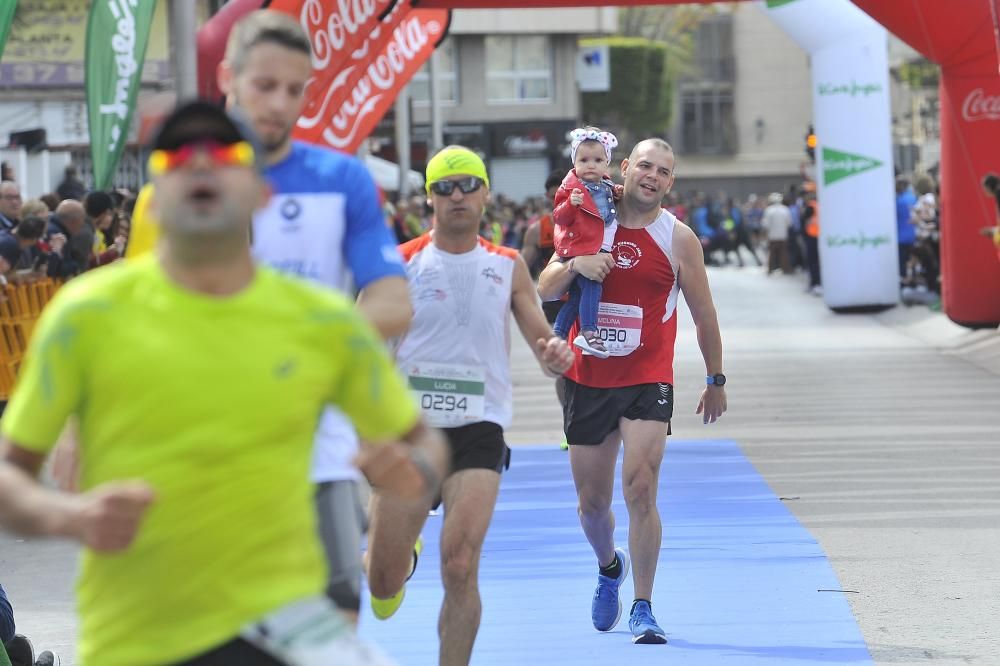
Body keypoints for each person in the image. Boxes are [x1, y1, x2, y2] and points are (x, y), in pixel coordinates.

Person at [0, 100, 447, 666]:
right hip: (138, 633)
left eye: (227, 154)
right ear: (155, 196)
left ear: (261, 192)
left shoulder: (320, 320)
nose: (203, 165)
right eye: (180, 155)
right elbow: (9, 477)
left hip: (283, 624)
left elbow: (423, 442)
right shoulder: (85, 314)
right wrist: (72, 517)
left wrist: (408, 476)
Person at [111, 10, 416, 621]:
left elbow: (392, 300)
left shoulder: (342, 181)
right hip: (200, 454)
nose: (280, 104)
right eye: (264, 86)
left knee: (330, 629)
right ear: (228, 77)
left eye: (295, 90)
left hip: (315, 450)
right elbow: (132, 320)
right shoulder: (169, 192)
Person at [365, 146, 575, 665]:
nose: (456, 195)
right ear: (429, 198)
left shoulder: (506, 267)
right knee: (382, 580)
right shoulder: (400, 261)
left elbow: (543, 343)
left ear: (484, 192)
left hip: (479, 428)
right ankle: (397, 557)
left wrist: (556, 353)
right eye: (444, 187)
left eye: (467, 185)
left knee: (460, 564)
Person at [538, 138, 727, 646]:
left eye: (663, 171)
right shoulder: (592, 213)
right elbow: (544, 286)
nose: (652, 176)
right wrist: (577, 265)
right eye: (645, 165)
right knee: (592, 505)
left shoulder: (679, 237)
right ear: (625, 168)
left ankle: (643, 606)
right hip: (588, 377)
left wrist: (715, 378)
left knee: (641, 486)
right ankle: (608, 566)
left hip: (648, 377)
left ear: (670, 183)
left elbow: (704, 313)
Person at [551, 127, 621, 358]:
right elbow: (559, 218)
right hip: (582, 249)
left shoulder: (607, 186)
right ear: (574, 163)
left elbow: (609, 207)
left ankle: (558, 336)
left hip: (595, 248)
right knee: (593, 286)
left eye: (598, 160)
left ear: (607, 163)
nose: (591, 165)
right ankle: (589, 331)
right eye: (584, 160)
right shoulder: (570, 188)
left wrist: (617, 193)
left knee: (577, 298)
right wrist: (571, 204)